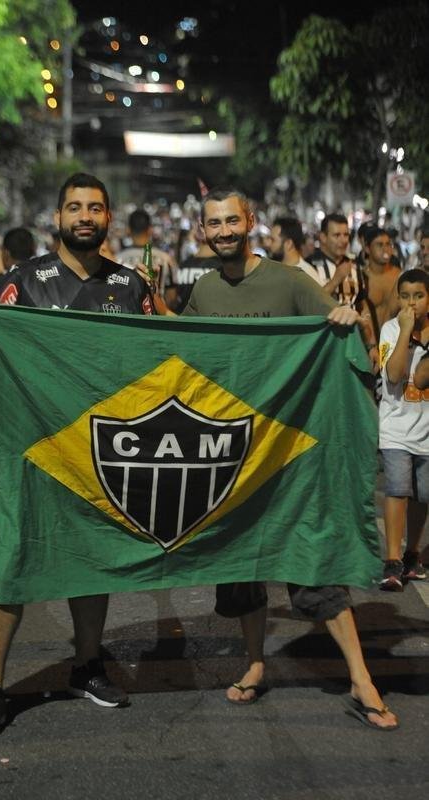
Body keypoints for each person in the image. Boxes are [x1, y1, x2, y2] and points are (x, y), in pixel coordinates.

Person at [146, 186, 398, 731]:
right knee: (240, 569)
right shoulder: (205, 290)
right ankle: (255, 663)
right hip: (230, 456)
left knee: (314, 569)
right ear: (202, 233)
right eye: (213, 225)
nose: (223, 232)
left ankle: (362, 679)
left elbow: (337, 321)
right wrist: (155, 305)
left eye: (231, 222)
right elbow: (182, 346)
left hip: (290, 457)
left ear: (250, 222)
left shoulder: (288, 281)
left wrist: (343, 318)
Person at [0, 173, 156, 738]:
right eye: (74, 207)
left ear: (109, 217)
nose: (84, 216)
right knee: (5, 560)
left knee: (90, 557)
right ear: (58, 217)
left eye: (95, 207)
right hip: (27, 448)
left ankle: (87, 666)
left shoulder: (131, 286)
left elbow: (160, 358)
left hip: (99, 452)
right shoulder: (23, 281)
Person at [378, 269, 429, 591]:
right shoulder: (391, 328)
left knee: (423, 495)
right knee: (397, 489)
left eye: (419, 296)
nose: (411, 302)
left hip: (426, 429)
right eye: (406, 295)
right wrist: (405, 333)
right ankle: (393, 560)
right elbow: (395, 375)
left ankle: (412, 554)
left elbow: (422, 380)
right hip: (395, 427)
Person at [307, 213, 378, 369]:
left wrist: (371, 345)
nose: (343, 240)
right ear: (323, 237)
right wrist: (335, 280)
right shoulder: (309, 265)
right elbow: (309, 305)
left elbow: (362, 305)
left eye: (346, 234)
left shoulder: (355, 266)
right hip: (322, 346)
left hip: (354, 342)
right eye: (337, 235)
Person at [116, 208, 179, 309]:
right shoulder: (166, 259)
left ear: (128, 230)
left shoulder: (117, 259)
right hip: (157, 318)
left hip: (128, 317)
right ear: (150, 229)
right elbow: (171, 297)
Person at [269, 216, 322, 283]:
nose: (269, 244)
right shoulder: (272, 270)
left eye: (273, 240)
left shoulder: (307, 275)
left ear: (289, 243)